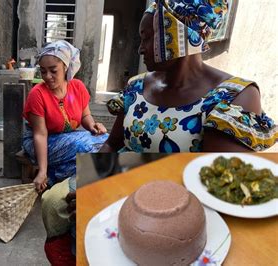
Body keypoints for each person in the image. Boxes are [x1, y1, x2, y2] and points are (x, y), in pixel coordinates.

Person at [101, 0, 277, 153]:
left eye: (147, 38)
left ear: (178, 35)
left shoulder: (233, 97)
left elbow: (212, 187)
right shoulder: (136, 86)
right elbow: (111, 145)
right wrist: (89, 182)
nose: (140, 49)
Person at [22, 40, 108, 192]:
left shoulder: (77, 87)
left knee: (107, 140)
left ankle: (55, 175)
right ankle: (50, 174)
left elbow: (85, 115)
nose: (47, 76)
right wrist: (41, 170)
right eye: (43, 71)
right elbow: (40, 134)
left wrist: (92, 126)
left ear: (66, 67)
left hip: (67, 137)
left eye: (53, 70)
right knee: (84, 147)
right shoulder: (37, 94)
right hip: (41, 143)